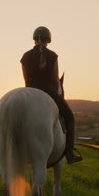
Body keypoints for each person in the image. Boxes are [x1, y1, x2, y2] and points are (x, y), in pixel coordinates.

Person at [20, 26, 82, 164]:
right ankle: (70, 153)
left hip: (29, 91)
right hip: (48, 90)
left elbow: (25, 79)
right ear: (48, 40)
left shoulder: (25, 56)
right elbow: (55, 80)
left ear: (35, 39)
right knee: (69, 117)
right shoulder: (53, 56)